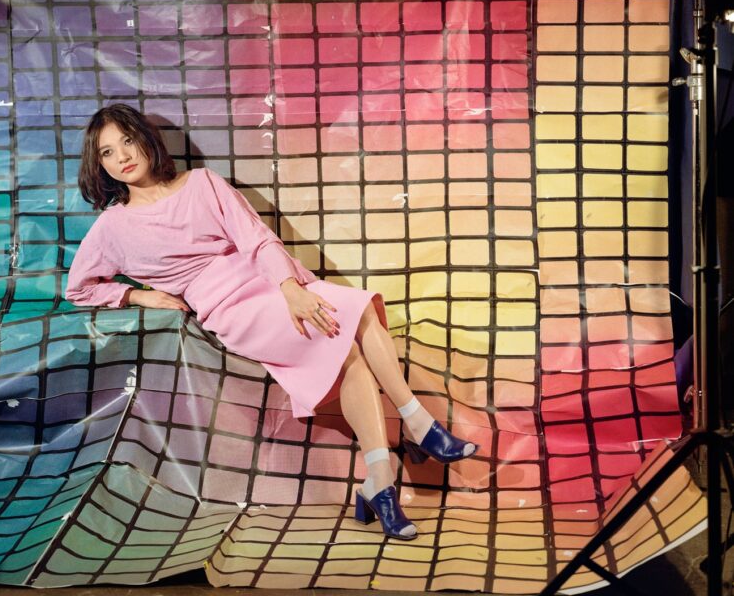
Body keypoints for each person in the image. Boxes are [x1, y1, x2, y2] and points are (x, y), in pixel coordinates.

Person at [65, 104, 477, 540]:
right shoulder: (112, 228)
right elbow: (79, 289)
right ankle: (410, 443)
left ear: (145, 139)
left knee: (360, 311)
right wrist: (140, 294)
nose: (122, 156)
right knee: (344, 340)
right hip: (231, 308)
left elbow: (257, 239)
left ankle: (392, 462)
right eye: (108, 152)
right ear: (101, 165)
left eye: (127, 141)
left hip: (271, 282)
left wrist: (290, 287)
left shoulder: (202, 183)